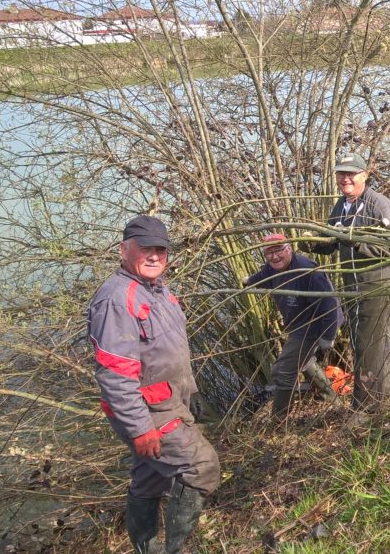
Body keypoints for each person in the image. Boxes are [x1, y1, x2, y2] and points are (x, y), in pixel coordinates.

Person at [87, 215, 220, 554]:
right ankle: (176, 550)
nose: (154, 255)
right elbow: (116, 375)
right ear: (123, 250)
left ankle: (149, 550)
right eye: (144, 248)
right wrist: (139, 428)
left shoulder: (159, 291)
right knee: (201, 467)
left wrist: (192, 392)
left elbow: (169, 354)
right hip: (147, 410)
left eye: (160, 249)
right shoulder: (117, 299)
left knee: (152, 475)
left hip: (169, 400)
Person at [308, 153, 390, 415]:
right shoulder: (342, 206)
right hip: (353, 288)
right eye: (340, 174)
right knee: (365, 344)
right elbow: (331, 242)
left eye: (351, 174)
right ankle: (386, 400)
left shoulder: (378, 205)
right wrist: (310, 243)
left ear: (364, 175)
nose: (345, 179)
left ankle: (365, 407)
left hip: (378, 286)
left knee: (371, 346)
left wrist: (358, 242)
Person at [244, 233, 343, 419]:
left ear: (288, 249)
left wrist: (328, 336)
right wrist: (249, 281)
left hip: (316, 324)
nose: (274, 257)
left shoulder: (308, 271)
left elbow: (330, 304)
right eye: (269, 254)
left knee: (282, 371)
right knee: (303, 360)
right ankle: (331, 399)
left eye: (278, 251)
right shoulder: (273, 267)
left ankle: (279, 420)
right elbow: (264, 275)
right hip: (299, 324)